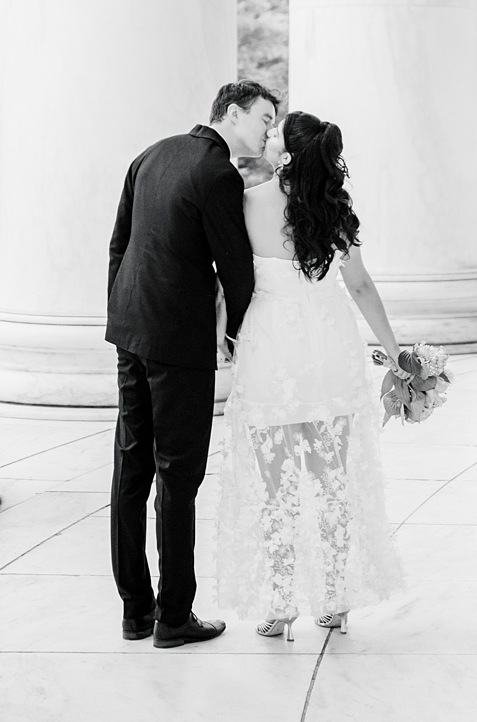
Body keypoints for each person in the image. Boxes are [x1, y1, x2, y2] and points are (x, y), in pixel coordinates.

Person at [216, 111, 406, 637]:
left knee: (275, 486)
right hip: (330, 350)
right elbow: (362, 286)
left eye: (275, 134)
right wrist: (395, 353)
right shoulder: (336, 210)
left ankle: (280, 605)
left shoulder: (248, 202)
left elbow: (227, 278)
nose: (269, 138)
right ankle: (337, 598)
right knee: (333, 482)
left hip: (271, 351)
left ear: (290, 152)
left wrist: (220, 337)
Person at [104, 79, 273, 648]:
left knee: (132, 467)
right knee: (179, 477)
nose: (270, 129)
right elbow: (237, 269)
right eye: (264, 118)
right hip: (178, 339)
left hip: (131, 328)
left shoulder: (151, 153)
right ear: (230, 112)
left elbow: (119, 244)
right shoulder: (217, 172)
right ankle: (174, 617)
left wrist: (121, 312)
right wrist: (235, 332)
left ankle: (135, 612)